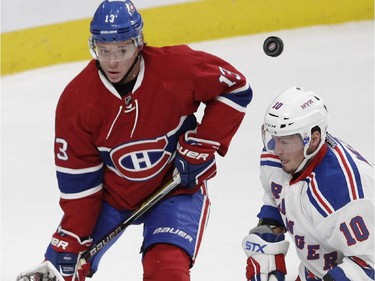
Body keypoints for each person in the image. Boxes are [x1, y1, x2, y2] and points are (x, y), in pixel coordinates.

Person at [36, 1, 253, 281]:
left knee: (167, 271)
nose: (112, 61)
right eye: (104, 51)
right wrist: (72, 236)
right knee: (60, 267)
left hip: (174, 187)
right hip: (111, 197)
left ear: (138, 43)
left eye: (122, 50)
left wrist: (202, 143)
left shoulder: (176, 68)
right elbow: (79, 182)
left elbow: (235, 88)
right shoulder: (77, 101)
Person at [241, 87, 374, 281]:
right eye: (273, 138)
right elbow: (277, 200)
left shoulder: (344, 192)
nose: (277, 150)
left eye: (286, 141)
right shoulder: (278, 157)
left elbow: (370, 264)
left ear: (313, 139)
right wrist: (267, 239)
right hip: (315, 272)